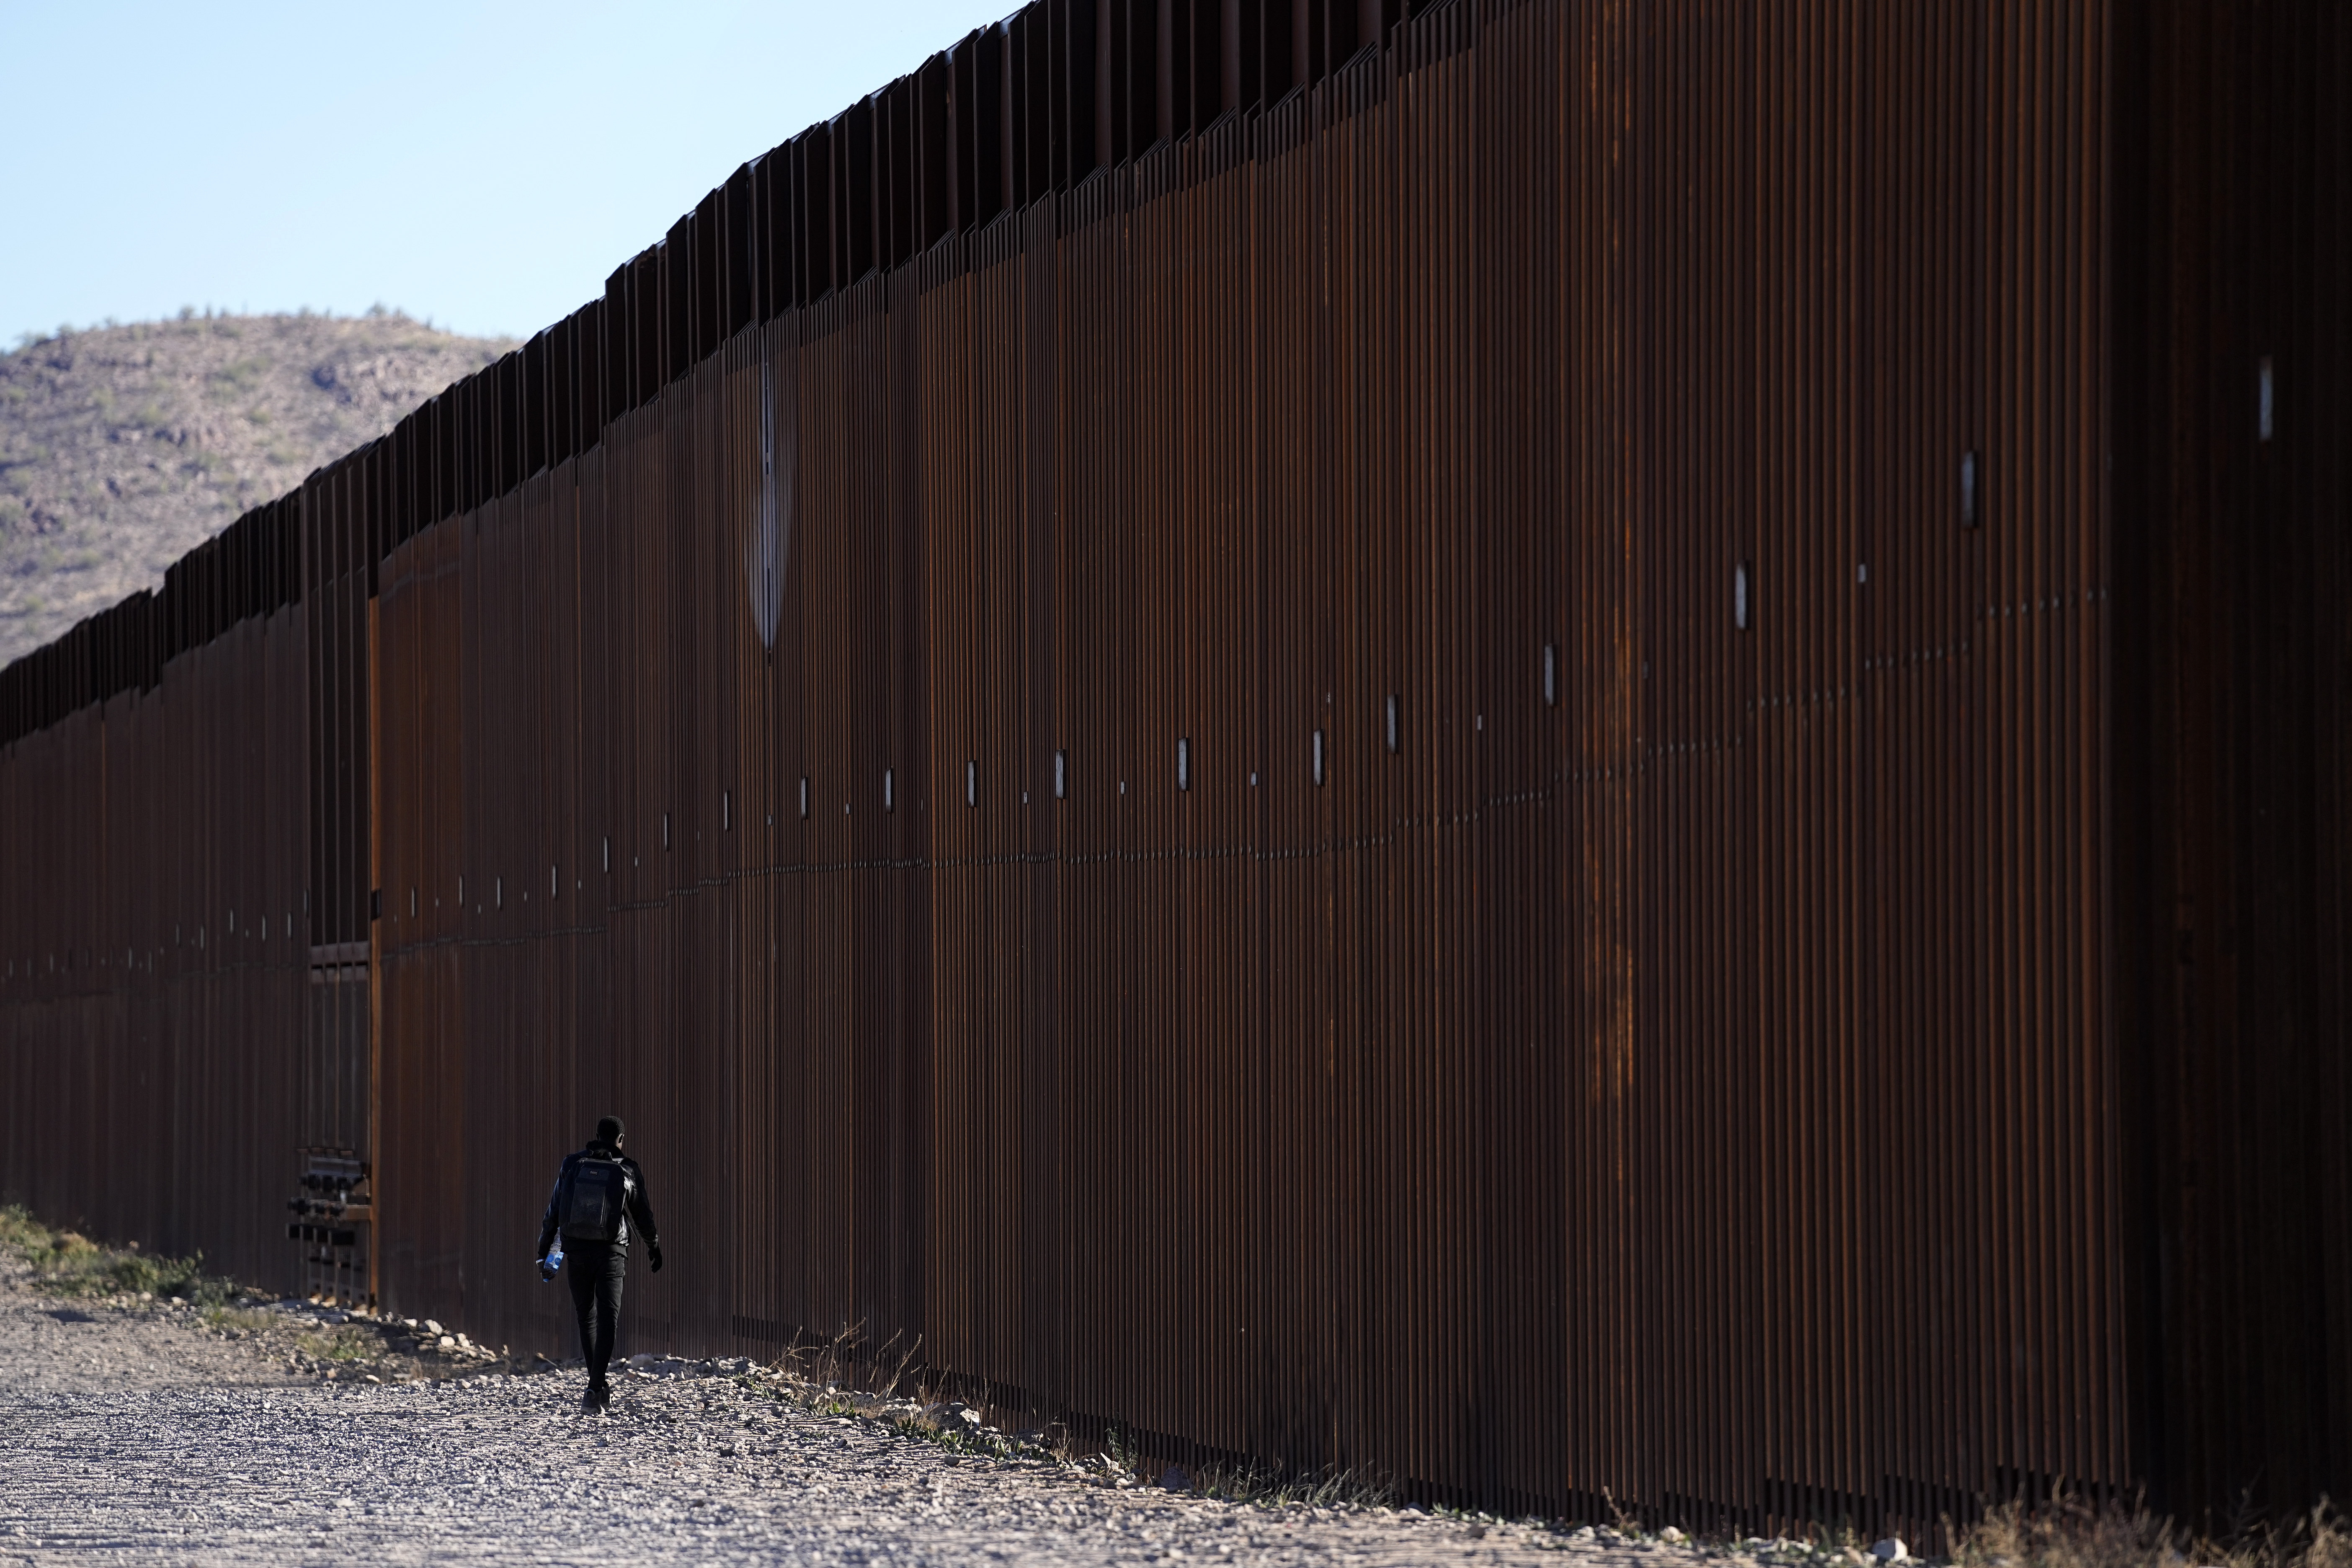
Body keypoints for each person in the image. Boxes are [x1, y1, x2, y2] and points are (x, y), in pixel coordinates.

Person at [536, 1115, 662, 1412]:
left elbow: (554, 1211)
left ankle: (597, 1387)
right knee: (609, 1318)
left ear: (595, 1135)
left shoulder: (571, 1164)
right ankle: (595, 1388)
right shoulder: (627, 1168)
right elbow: (642, 1214)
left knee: (586, 1317)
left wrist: (546, 1253)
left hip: (576, 1250)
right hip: (611, 1251)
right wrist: (653, 1246)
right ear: (621, 1139)